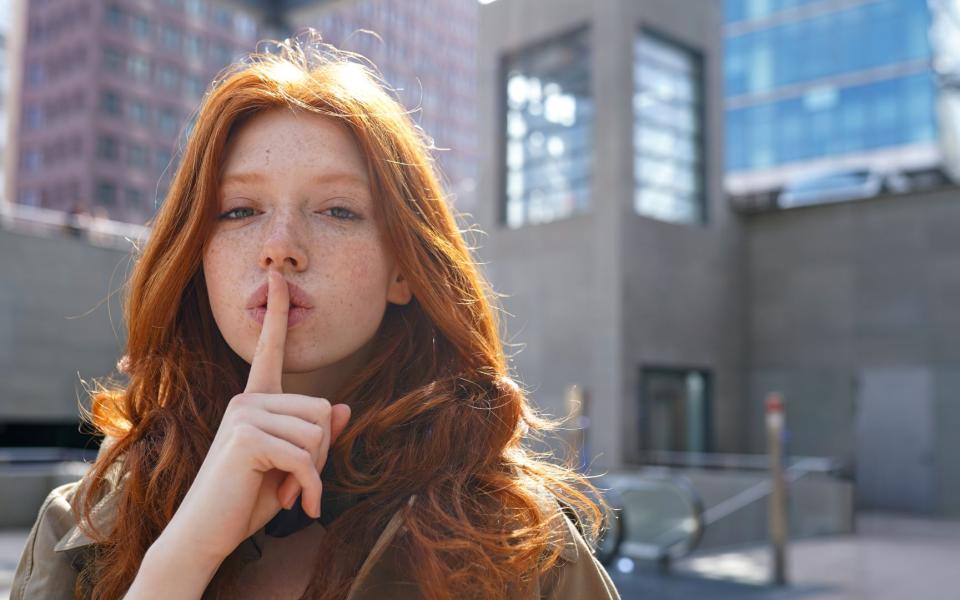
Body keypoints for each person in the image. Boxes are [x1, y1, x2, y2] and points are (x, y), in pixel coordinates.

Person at [12, 31, 621, 600]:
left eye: (337, 211)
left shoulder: (520, 544)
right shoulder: (83, 529)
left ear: (404, 269)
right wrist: (183, 554)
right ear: (197, 260)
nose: (281, 246)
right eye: (239, 210)